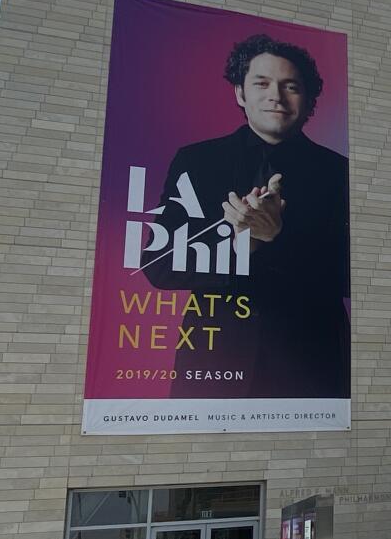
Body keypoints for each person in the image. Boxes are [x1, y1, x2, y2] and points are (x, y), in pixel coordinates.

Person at [143, 33, 349, 399]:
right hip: (211, 363)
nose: (276, 96)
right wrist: (243, 244)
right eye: (262, 83)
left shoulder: (341, 173)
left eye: (291, 86)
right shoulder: (196, 161)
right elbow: (158, 266)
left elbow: (352, 279)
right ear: (240, 93)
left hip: (313, 367)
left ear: (309, 99)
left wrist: (276, 236)